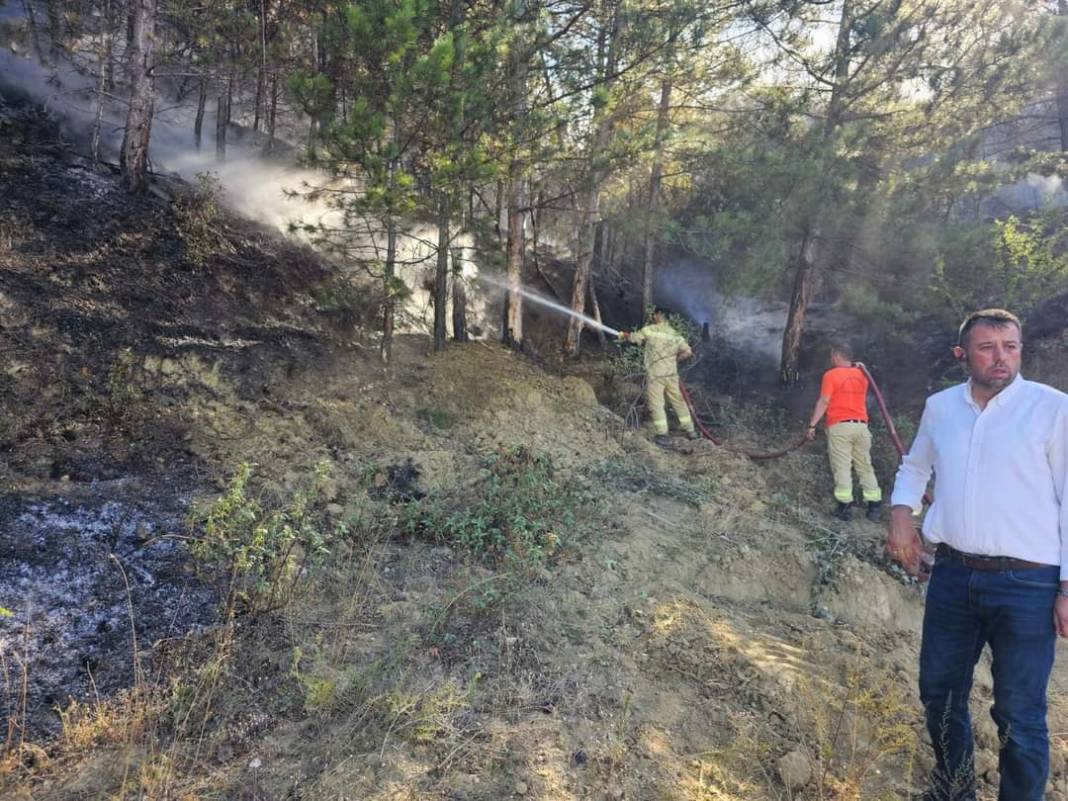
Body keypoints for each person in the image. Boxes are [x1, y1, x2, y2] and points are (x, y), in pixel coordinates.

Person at [888, 308, 1068, 801]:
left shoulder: (1053, 408)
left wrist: (1067, 587)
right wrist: (901, 515)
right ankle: (953, 790)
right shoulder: (941, 407)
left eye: (1010, 346)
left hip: (1029, 583)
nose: (1000, 358)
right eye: (987, 347)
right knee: (940, 695)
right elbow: (914, 466)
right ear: (961, 354)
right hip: (952, 574)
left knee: (1018, 712)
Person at [805, 342, 882, 521]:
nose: (832, 359)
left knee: (842, 467)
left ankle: (844, 508)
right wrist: (859, 367)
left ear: (838, 356)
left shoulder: (831, 375)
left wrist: (812, 425)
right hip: (862, 426)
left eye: (833, 356)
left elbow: (824, 401)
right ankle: (874, 508)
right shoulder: (863, 374)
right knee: (865, 466)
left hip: (840, 426)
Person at [620, 307, 697, 446]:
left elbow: (634, 338)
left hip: (656, 374)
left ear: (659, 315)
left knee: (657, 403)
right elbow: (688, 352)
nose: (653, 316)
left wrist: (624, 335)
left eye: (655, 314)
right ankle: (691, 430)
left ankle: (662, 434)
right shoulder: (675, 334)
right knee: (678, 401)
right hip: (671, 374)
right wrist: (674, 360)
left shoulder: (650, 330)